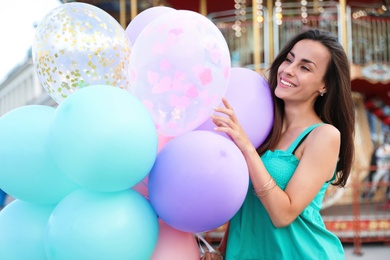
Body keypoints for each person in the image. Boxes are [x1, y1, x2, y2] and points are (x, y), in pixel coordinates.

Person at [207, 29, 355, 259]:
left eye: (305, 67)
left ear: (324, 86)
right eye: (289, 59)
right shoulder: (261, 126)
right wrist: (222, 250)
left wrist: (246, 147)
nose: (288, 70)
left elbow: (282, 214)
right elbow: (246, 202)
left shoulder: (323, 135)